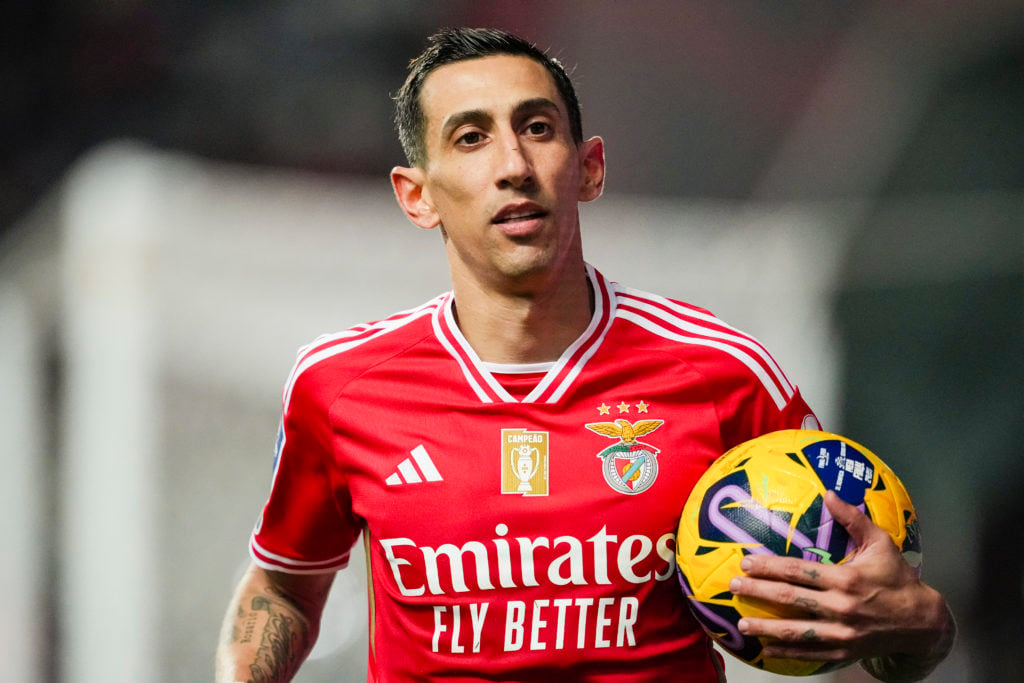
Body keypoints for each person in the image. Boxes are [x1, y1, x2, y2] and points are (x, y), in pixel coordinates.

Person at [216, 27, 955, 682]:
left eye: (537, 127)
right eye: (470, 138)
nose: (513, 163)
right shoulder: (341, 387)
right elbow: (282, 585)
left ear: (590, 167)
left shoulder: (724, 373)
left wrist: (922, 630)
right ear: (418, 197)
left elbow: (865, 620)